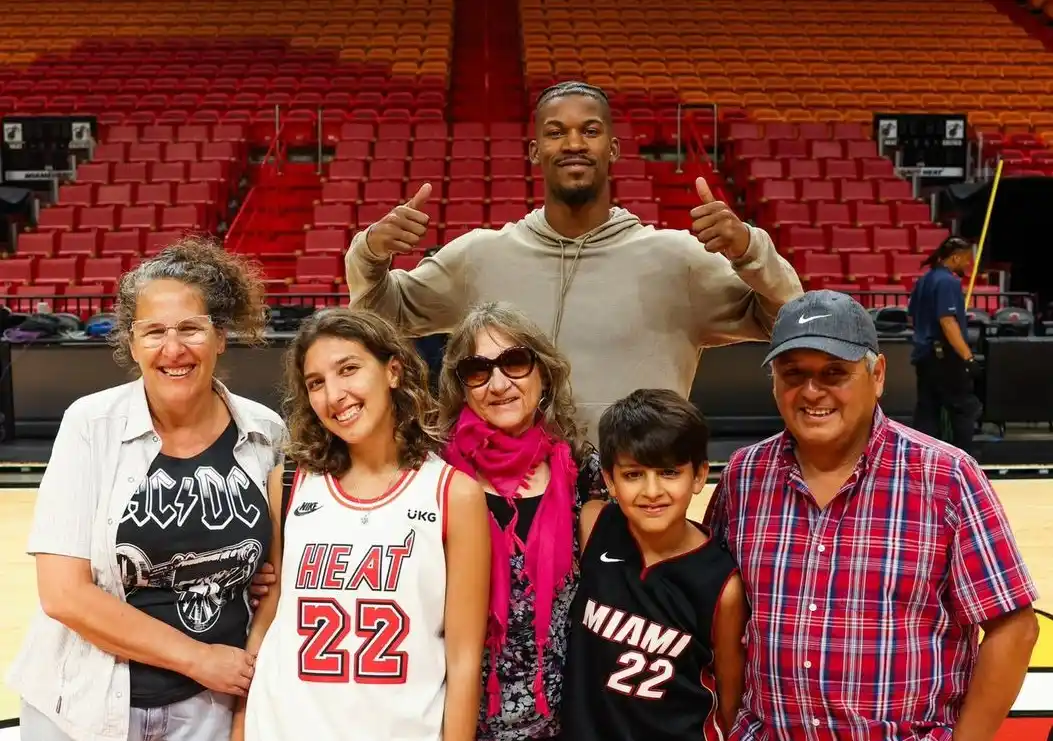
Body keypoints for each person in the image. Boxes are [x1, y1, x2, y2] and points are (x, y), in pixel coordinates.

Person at [343, 80, 803, 442]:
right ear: (535, 151)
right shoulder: (479, 255)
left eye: (590, 130)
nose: (573, 143)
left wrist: (748, 249)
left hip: (636, 500)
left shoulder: (677, 258)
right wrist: (371, 252)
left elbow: (786, 318)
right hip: (514, 502)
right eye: (555, 132)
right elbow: (379, 317)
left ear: (614, 148)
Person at [705, 289, 1040, 741]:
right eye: (793, 373)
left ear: (877, 374)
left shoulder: (946, 477)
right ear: (773, 381)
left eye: (834, 373)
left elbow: (1013, 628)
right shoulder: (744, 477)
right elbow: (716, 613)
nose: (811, 391)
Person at [6, 238, 285, 741]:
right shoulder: (89, 424)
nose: (172, 349)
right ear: (131, 343)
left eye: (190, 329)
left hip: (210, 710)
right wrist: (199, 658)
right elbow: (65, 595)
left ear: (220, 336)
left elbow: (276, 567)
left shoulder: (265, 431)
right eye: (153, 331)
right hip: (82, 704)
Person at [237, 308, 491, 741]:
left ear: (393, 371)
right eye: (316, 382)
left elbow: (464, 661)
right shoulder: (288, 483)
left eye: (348, 369)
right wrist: (241, 727)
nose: (335, 395)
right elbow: (268, 618)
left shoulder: (454, 493)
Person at [437, 301, 607, 741]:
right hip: (450, 717)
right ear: (462, 387)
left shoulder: (585, 474)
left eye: (514, 362)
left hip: (562, 720)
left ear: (543, 374)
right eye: (478, 369)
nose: (498, 384)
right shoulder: (436, 475)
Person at [562, 388, 748, 741]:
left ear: (698, 476)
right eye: (633, 474)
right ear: (609, 480)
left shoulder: (722, 585)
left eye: (668, 472)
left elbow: (730, 702)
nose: (652, 491)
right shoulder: (594, 525)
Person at [907, 235, 983, 454]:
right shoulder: (947, 282)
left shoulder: (924, 280)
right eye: (967, 259)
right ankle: (966, 462)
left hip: (924, 355)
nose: (969, 264)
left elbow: (913, 316)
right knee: (963, 409)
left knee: (927, 412)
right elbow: (948, 323)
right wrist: (968, 358)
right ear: (956, 257)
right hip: (944, 357)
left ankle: (923, 461)